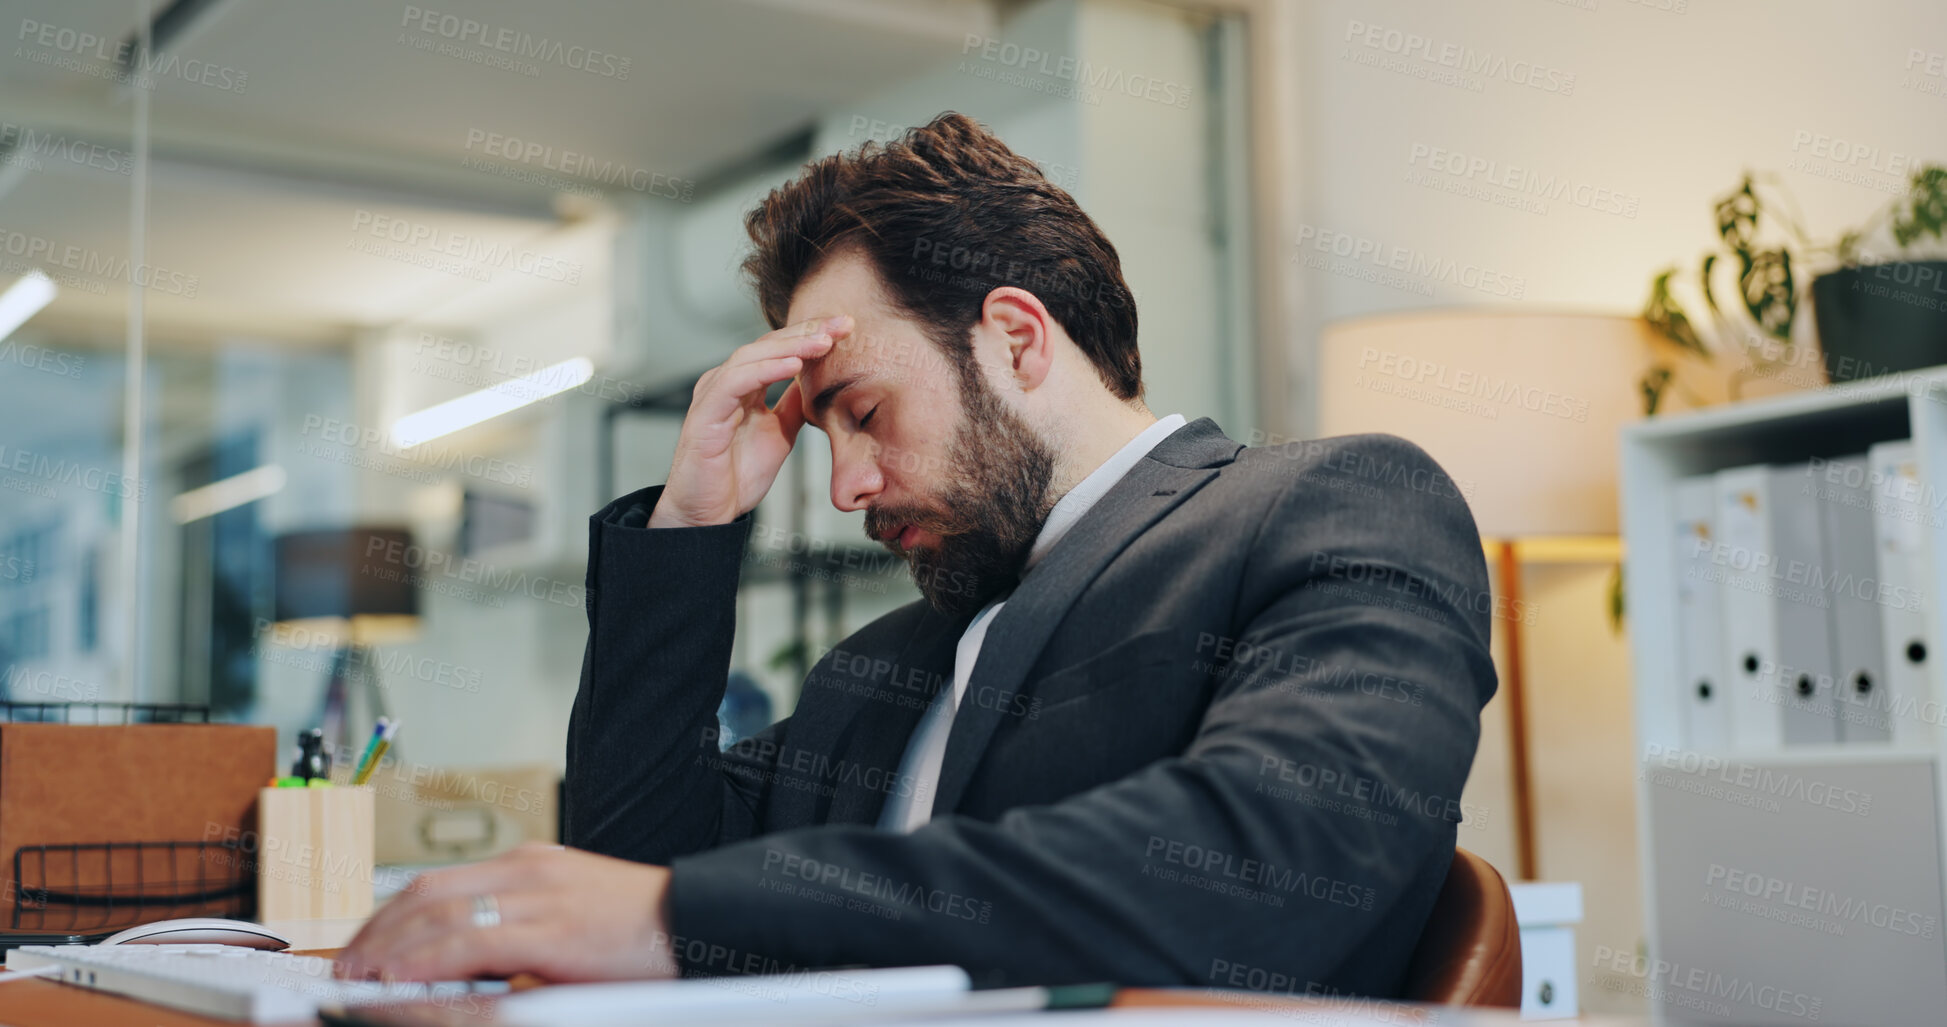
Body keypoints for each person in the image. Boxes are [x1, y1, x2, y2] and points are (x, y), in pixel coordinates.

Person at [341, 112, 1498, 997]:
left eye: (862, 410)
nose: (841, 487)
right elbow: (630, 862)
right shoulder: (883, 664)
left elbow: (1266, 862)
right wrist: (693, 530)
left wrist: (685, 915)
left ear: (1015, 338)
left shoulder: (1334, 503)